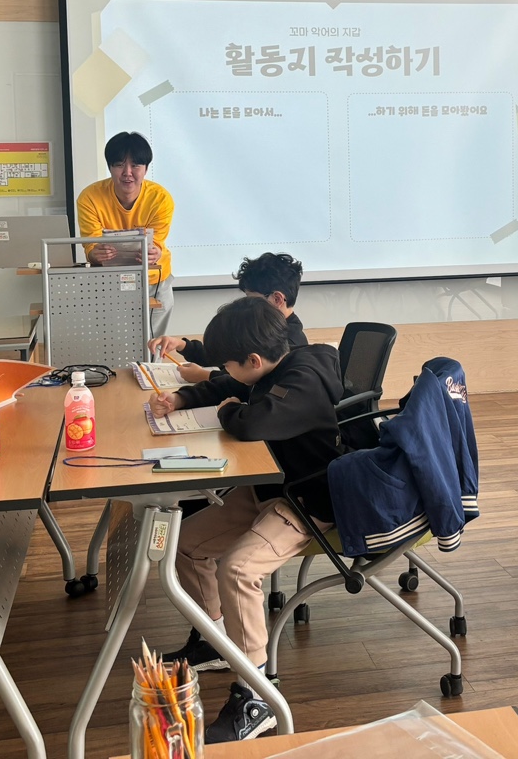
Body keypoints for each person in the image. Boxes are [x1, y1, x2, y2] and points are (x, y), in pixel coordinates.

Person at [153, 296, 343, 744]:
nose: (225, 371)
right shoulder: (273, 367)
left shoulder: (303, 379)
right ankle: (217, 642)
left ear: (254, 360)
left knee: (238, 570)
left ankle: (257, 697)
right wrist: (182, 397)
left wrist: (226, 410)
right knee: (186, 546)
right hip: (272, 488)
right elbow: (226, 385)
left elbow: (250, 423)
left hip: (310, 500)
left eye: (230, 364)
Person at [150, 252, 307, 384]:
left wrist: (204, 376)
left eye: (252, 298)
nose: (247, 304)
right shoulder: (257, 326)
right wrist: (182, 345)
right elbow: (226, 354)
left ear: (277, 299)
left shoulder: (291, 343)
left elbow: (251, 383)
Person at [76, 131, 175, 336]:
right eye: (119, 165)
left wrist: (154, 252)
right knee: (112, 341)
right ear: (110, 167)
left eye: (135, 165)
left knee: (153, 346)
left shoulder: (160, 198)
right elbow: (90, 245)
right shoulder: (89, 197)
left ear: (146, 168)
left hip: (154, 281)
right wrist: (95, 253)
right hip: (108, 282)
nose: (127, 172)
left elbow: (157, 242)